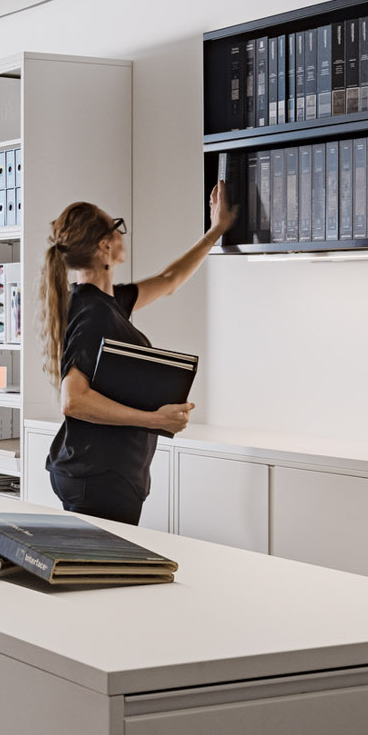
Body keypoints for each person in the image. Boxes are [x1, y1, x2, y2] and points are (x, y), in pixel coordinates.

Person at [39, 183, 236, 524]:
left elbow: (169, 279)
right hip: (100, 476)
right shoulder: (93, 313)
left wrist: (215, 231)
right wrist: (156, 420)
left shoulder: (105, 303)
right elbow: (74, 401)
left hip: (97, 471)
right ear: (105, 245)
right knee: (104, 574)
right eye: (117, 229)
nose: (121, 236)